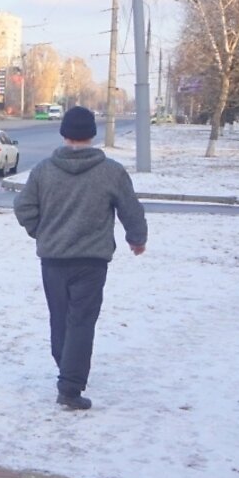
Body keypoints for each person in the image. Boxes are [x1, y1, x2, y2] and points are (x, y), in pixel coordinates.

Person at [13, 105, 147, 410]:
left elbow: (23, 208)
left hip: (53, 259)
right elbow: (131, 208)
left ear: (64, 134)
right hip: (91, 261)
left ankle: (67, 368)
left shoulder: (43, 171)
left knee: (60, 319)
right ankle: (70, 387)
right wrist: (137, 238)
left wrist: (43, 232)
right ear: (92, 135)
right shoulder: (111, 171)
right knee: (82, 321)